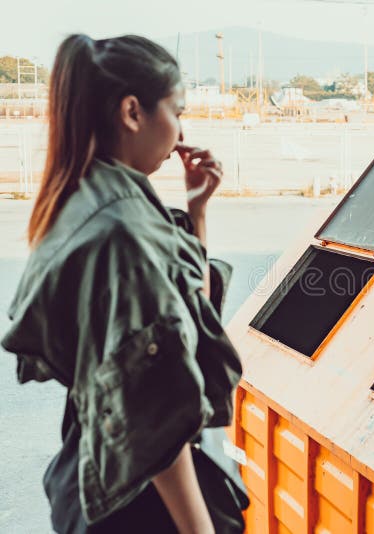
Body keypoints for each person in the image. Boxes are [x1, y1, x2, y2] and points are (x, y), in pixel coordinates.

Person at [1, 34, 246, 533]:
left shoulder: (84, 198)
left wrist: (196, 210)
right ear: (133, 112)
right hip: (142, 506)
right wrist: (198, 529)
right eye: (176, 110)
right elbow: (153, 413)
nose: (181, 134)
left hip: (94, 466)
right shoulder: (122, 232)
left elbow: (182, 307)